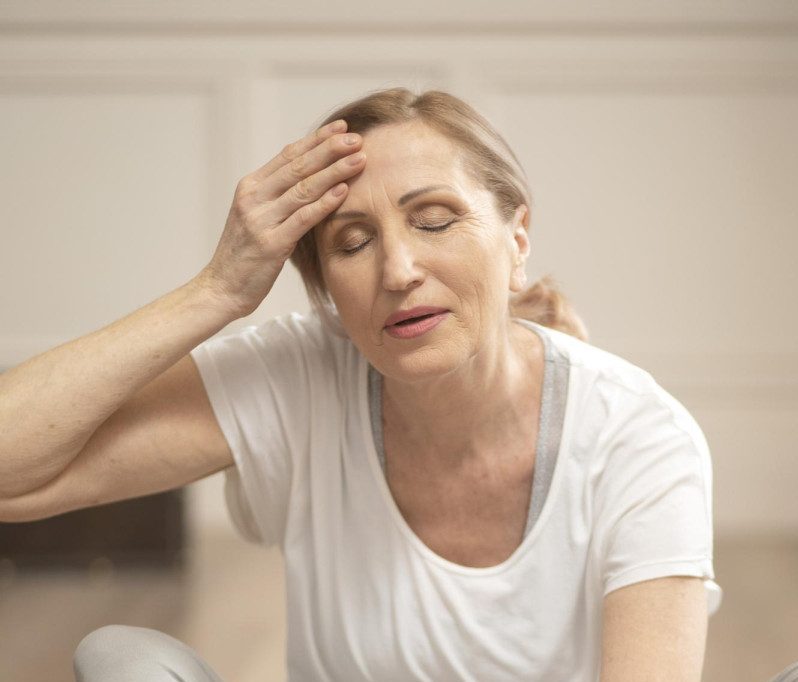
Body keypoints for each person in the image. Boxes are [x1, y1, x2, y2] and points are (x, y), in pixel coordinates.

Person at [0, 87, 722, 681]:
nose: (398, 271)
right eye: (353, 242)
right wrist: (216, 290)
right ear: (327, 294)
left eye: (434, 221)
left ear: (517, 239)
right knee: (122, 660)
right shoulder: (299, 375)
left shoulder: (638, 435)